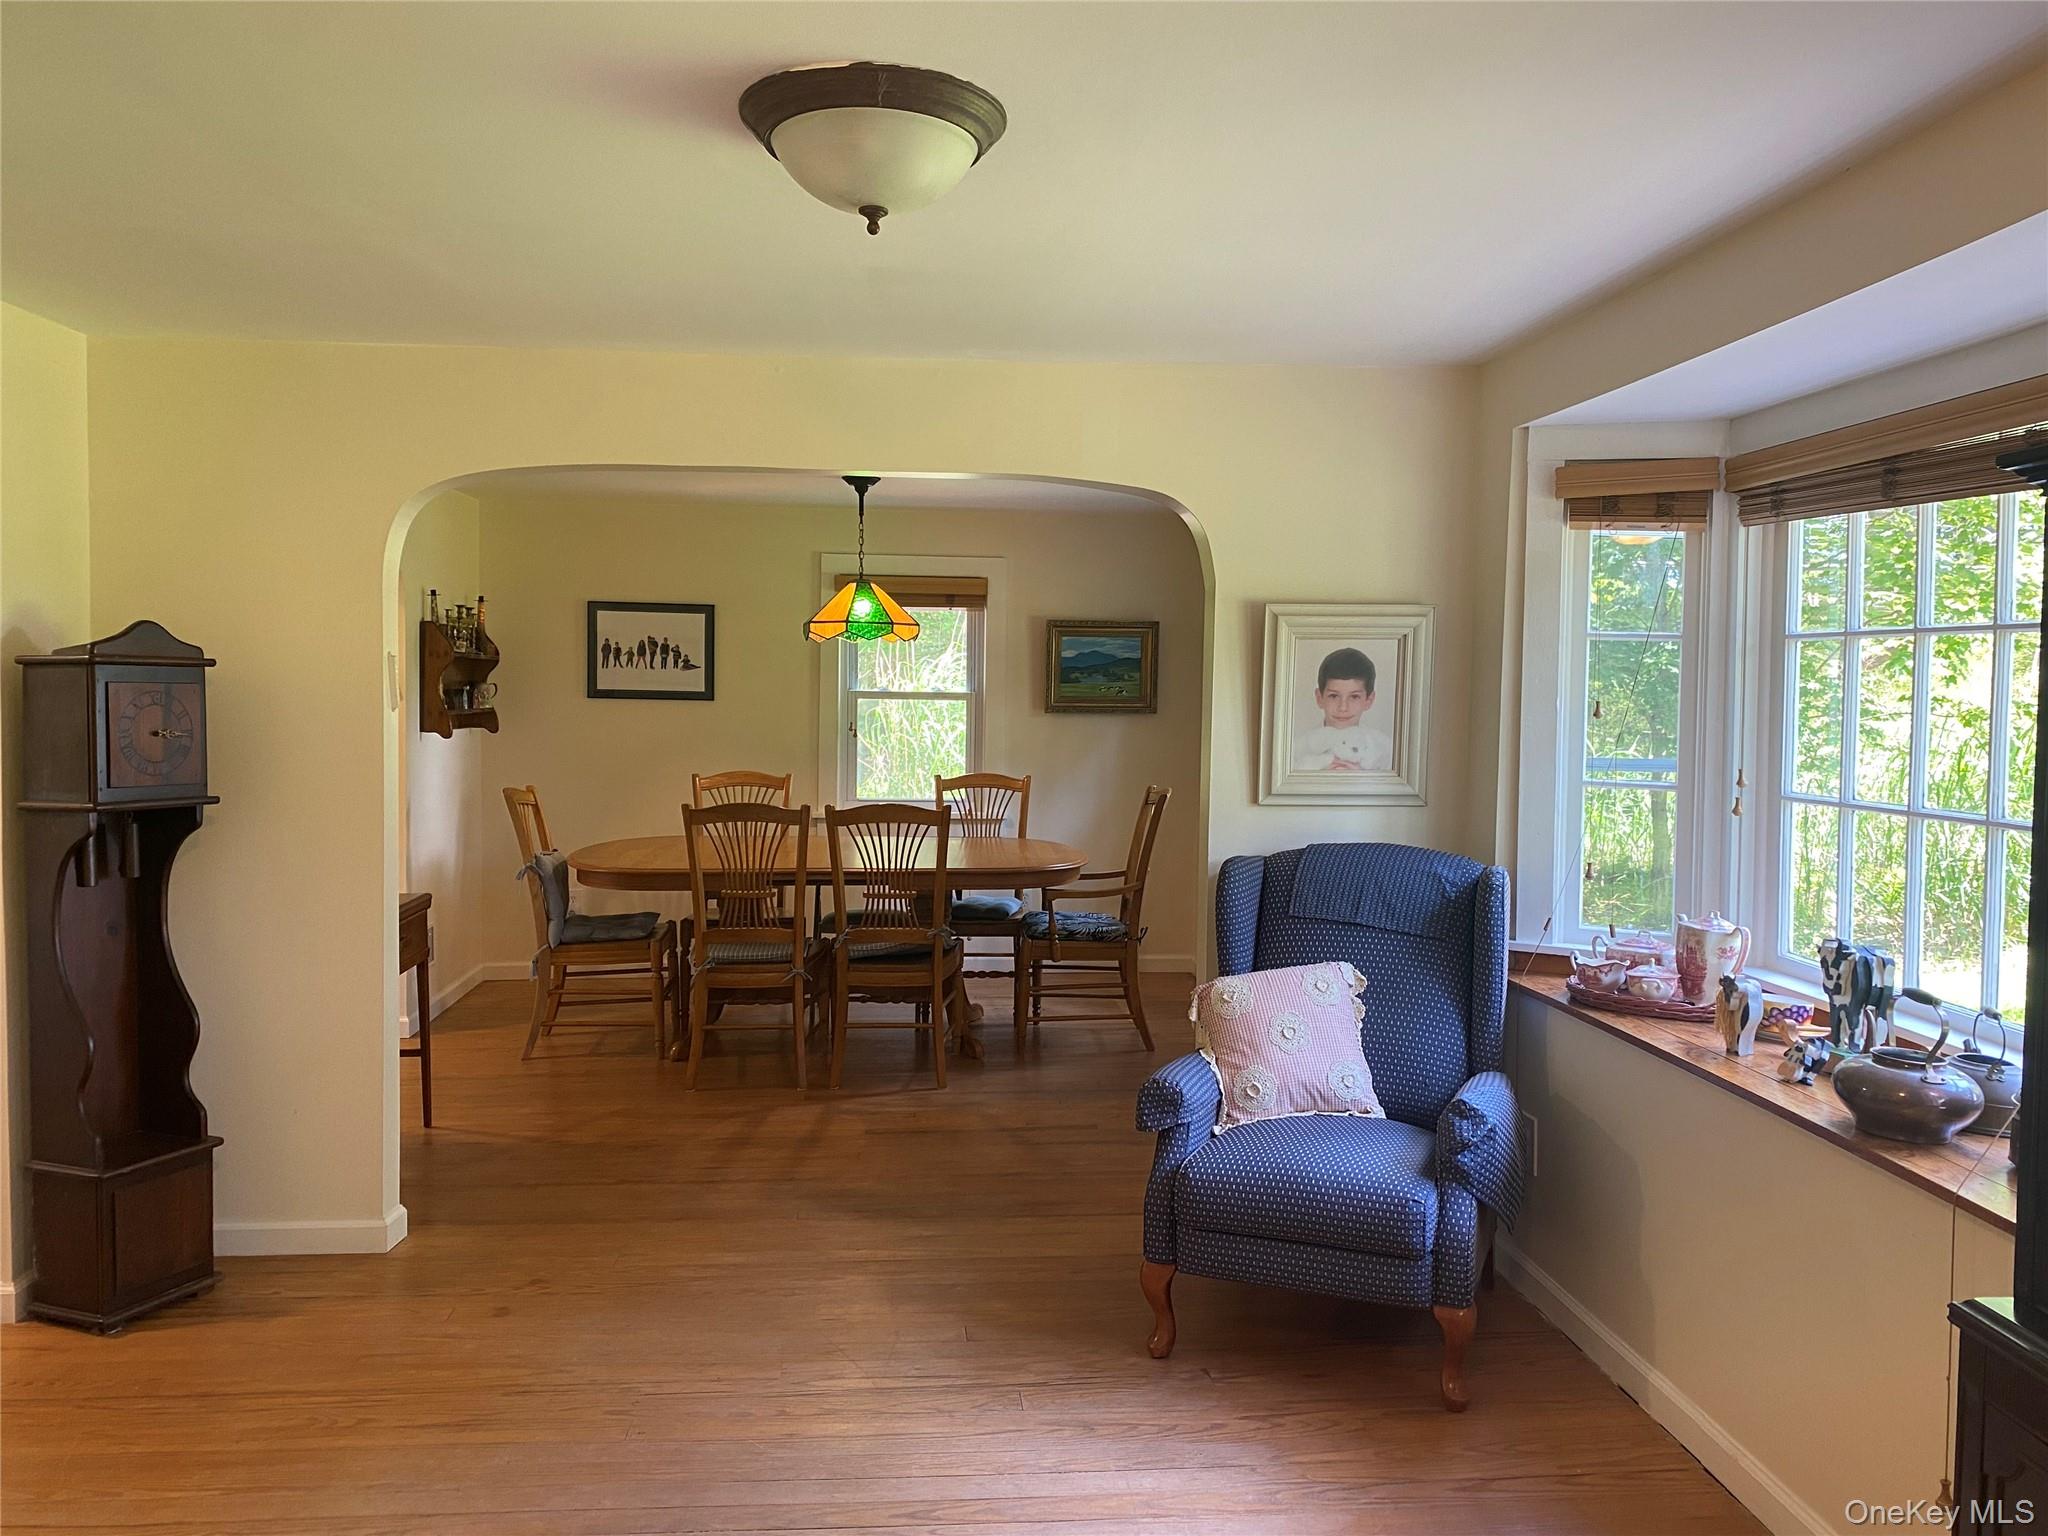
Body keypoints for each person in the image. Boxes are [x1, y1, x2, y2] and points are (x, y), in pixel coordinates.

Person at [1295, 647, 1392, 773]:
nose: (1343, 707)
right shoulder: (1297, 750)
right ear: (1319, 698)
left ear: (1369, 700)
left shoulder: (1385, 750)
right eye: (1334, 696)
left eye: (1354, 697)